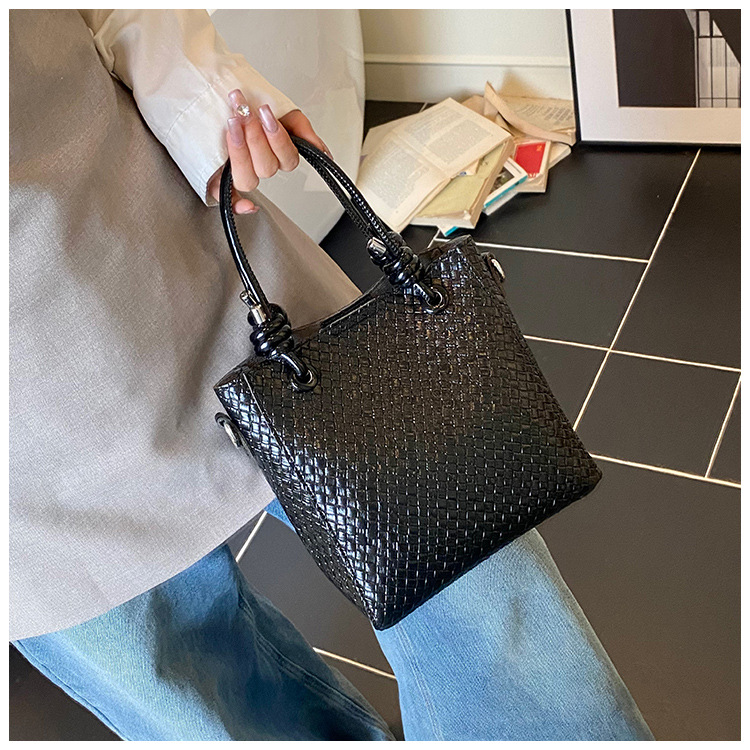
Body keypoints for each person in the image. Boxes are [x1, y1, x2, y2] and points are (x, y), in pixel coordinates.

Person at [9, 9, 654, 741]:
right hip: (21, 452)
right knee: (194, 691)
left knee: (475, 577)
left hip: (145, 222)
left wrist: (207, 103)